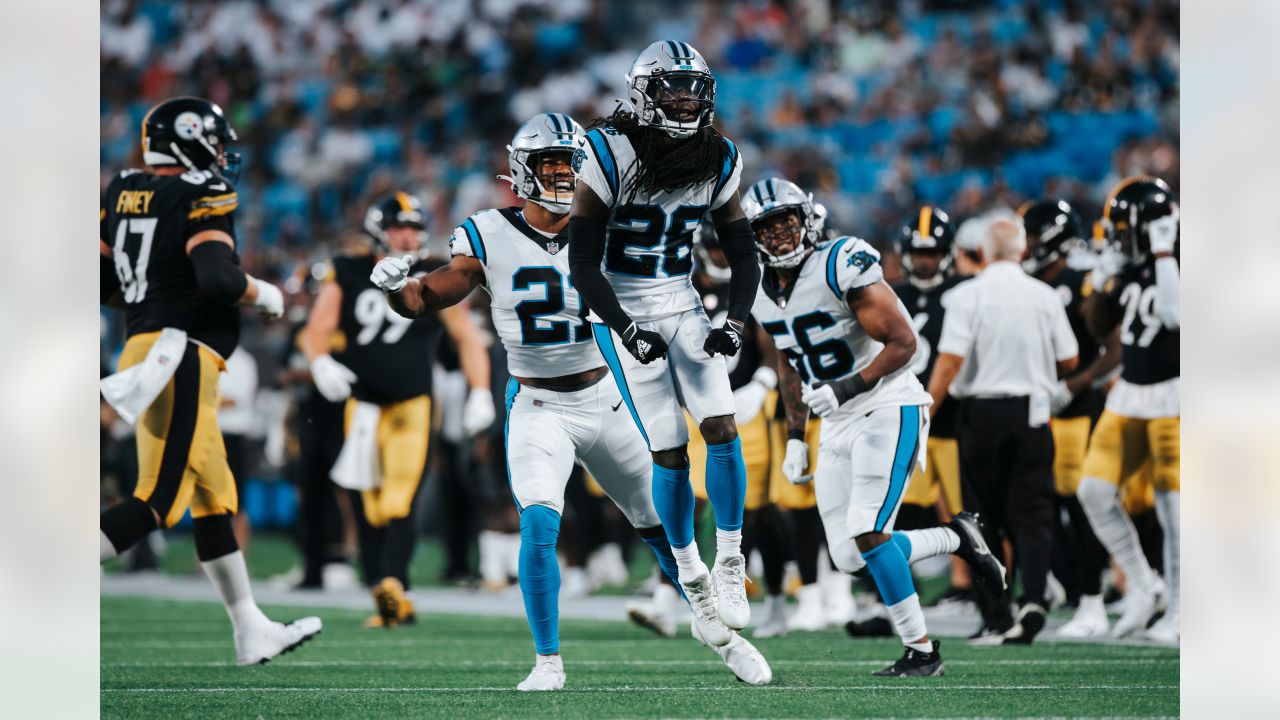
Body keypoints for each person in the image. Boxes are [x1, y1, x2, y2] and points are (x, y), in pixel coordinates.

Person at [371, 112, 771, 690]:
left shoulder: (612, 225)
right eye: (550, 163)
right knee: (539, 524)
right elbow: (430, 295)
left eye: (571, 162)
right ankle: (547, 663)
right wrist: (396, 291)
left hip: (610, 393)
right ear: (521, 170)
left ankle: (723, 634)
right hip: (537, 406)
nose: (562, 174)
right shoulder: (488, 233)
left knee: (662, 529)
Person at [745, 177, 1005, 676]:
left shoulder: (842, 261)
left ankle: (922, 651)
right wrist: (796, 435)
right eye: (766, 225)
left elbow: (905, 343)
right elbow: (788, 359)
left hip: (889, 404)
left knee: (868, 529)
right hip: (835, 421)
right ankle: (958, 537)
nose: (778, 233)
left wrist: (846, 385)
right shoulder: (757, 288)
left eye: (786, 220)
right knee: (848, 556)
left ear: (807, 220)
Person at [99, 96, 320, 664]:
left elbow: (103, 282)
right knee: (158, 500)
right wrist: (267, 295)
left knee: (214, 496)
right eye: (215, 140)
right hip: (179, 354)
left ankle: (251, 628)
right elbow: (220, 279)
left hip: (146, 347)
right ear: (188, 140)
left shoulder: (122, 189)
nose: (222, 152)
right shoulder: (202, 191)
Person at [567, 40, 760, 648]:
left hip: (680, 302)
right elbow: (582, 262)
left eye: (693, 88)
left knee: (722, 427)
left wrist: (734, 321)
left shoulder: (720, 155)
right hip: (621, 309)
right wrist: (626, 329)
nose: (685, 99)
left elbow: (742, 251)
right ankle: (687, 568)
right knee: (670, 450)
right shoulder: (605, 151)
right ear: (643, 92)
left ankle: (730, 561)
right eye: (672, 88)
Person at [302, 192, 495, 628]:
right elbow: (317, 328)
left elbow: (465, 336)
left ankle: (395, 584)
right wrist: (318, 361)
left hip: (412, 403)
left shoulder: (431, 272)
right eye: (398, 227)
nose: (407, 235)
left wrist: (480, 390)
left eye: (413, 227)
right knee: (366, 504)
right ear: (378, 229)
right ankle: (384, 593)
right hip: (363, 406)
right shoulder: (348, 269)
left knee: (398, 498)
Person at [927, 217, 1080, 645]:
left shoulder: (966, 295)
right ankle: (1034, 600)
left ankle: (996, 614)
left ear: (982, 252)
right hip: (1032, 411)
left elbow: (951, 359)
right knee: (1033, 515)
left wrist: (925, 409)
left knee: (980, 519)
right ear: (1023, 251)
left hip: (980, 413)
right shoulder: (1045, 296)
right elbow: (1069, 360)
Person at [1076, 176, 1180, 644]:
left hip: (1175, 394)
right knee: (1093, 491)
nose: (1118, 236)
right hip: (1131, 392)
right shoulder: (1133, 263)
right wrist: (1103, 278)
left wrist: (1162, 256)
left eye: (1124, 228)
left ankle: (1182, 609)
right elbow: (1099, 327)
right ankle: (1144, 584)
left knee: (1174, 511)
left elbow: (1178, 316)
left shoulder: (1178, 258)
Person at [1017, 198, 1122, 638]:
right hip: (1043, 410)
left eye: (1033, 236)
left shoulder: (1080, 280)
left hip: (1078, 410)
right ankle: (1066, 587)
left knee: (1084, 507)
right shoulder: (1029, 283)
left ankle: (1095, 599)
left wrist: (1072, 387)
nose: (1027, 246)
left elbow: (1113, 350)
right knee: (1044, 506)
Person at [891, 206, 973, 603]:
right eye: (920, 252)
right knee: (895, 507)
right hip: (904, 416)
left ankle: (966, 584)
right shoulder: (889, 293)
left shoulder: (964, 292)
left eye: (934, 252)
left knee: (961, 508)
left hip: (953, 419)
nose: (926, 260)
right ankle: (898, 583)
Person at [218, 346, 259, 552]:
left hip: (234, 437)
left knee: (236, 500)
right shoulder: (209, 356)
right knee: (208, 500)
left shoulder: (242, 360)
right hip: (211, 434)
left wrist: (200, 397)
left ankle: (240, 554)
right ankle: (208, 559)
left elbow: (234, 398)